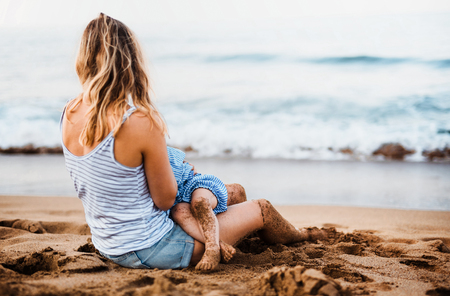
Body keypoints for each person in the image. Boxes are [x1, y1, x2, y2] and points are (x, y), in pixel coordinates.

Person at [61, 13, 328, 272]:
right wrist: (179, 169)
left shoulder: (69, 112)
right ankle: (299, 236)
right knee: (262, 208)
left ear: (84, 59)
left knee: (235, 191)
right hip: (152, 247)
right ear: (129, 61)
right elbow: (165, 200)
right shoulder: (139, 122)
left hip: (109, 243)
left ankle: (237, 233)